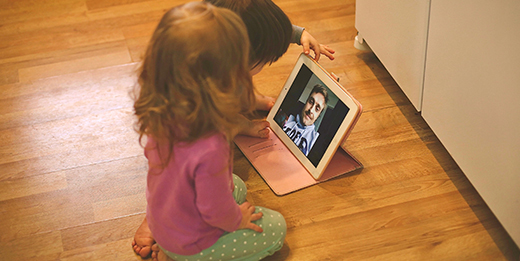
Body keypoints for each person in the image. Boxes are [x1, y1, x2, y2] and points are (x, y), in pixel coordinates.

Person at [131, 2, 286, 260]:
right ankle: (177, 256)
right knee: (276, 228)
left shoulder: (161, 112)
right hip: (190, 242)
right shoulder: (212, 143)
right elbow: (214, 211)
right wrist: (238, 220)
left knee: (234, 184)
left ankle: (163, 236)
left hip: (163, 217)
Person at [205, 0, 336, 139]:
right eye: (264, 61)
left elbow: (269, 32)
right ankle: (237, 121)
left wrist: (300, 35)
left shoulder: (230, 40)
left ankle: (246, 99)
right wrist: (238, 124)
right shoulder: (205, 85)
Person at [280, 84, 329, 156]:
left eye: (317, 108)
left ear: (319, 115)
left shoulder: (314, 141)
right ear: (306, 101)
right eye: (311, 102)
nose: (311, 110)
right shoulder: (285, 117)